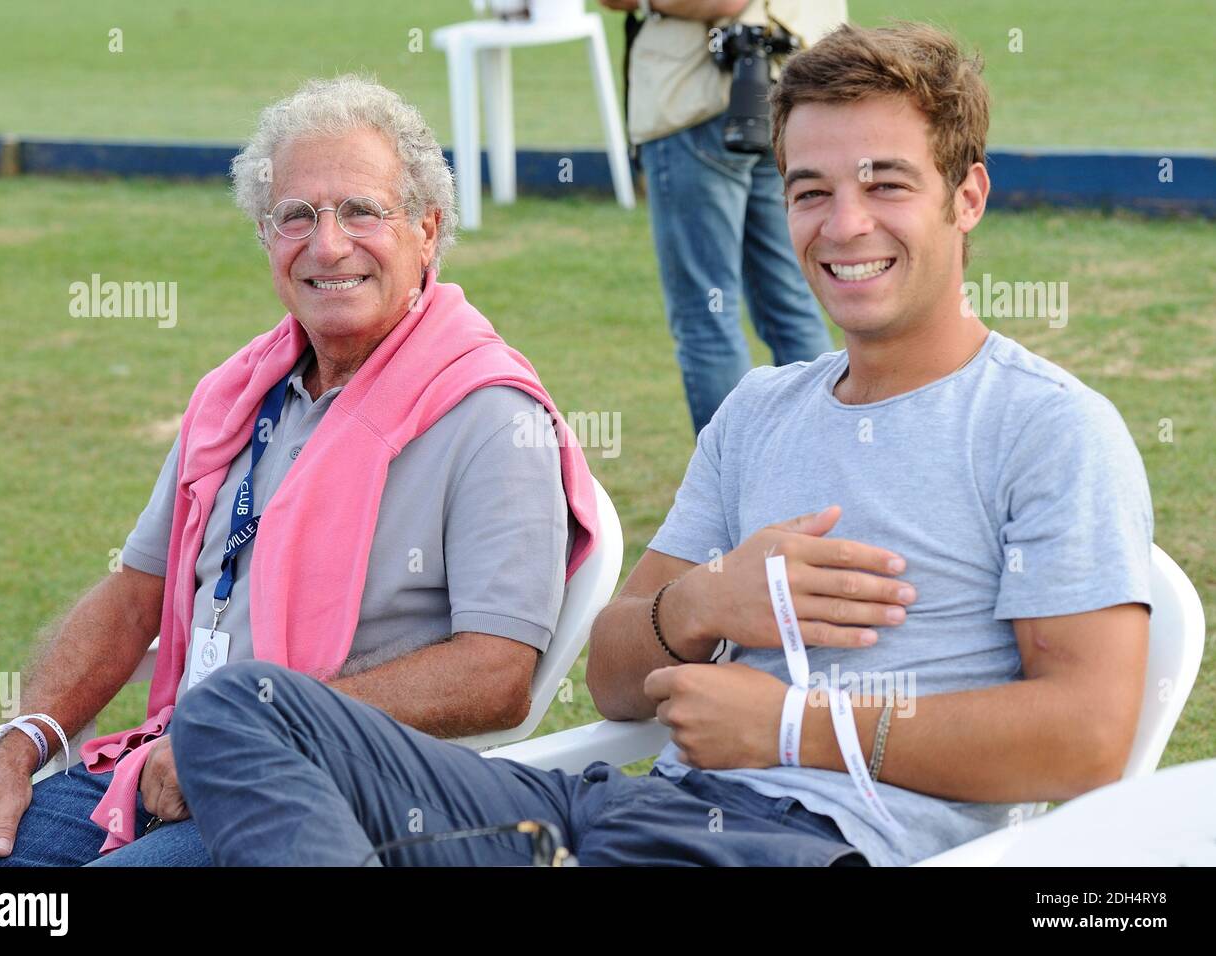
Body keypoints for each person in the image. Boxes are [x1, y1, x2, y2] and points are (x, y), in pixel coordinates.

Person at [167, 23, 1154, 867]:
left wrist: (786, 726)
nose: (843, 224)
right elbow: (612, 669)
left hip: (800, 845)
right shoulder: (760, 411)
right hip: (622, 817)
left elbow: (1086, 733)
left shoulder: (1046, 428)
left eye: (884, 183)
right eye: (809, 191)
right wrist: (708, 599)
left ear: (966, 196)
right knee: (236, 707)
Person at [0, 74, 597, 868]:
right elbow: (136, 591)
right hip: (164, 766)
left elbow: (497, 674)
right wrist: (23, 740)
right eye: (297, 216)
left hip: (334, 797)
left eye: (362, 211)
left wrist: (250, 730)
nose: (328, 244)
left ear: (426, 231)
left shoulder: (492, 416)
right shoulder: (240, 394)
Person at [600, 0, 843, 434]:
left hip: (700, 100)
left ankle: (734, 487)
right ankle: (826, 466)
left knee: (708, 315)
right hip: (797, 87)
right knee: (789, 300)